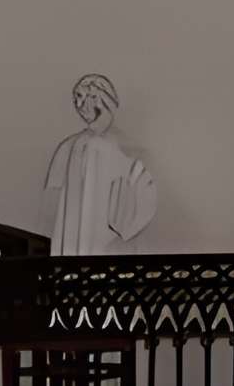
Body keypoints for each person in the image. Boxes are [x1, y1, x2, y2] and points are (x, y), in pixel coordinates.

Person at [44, 74, 158, 258]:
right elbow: (52, 198)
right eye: (76, 99)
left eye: (84, 97)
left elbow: (143, 189)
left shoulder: (121, 146)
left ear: (100, 97)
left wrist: (123, 227)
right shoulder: (71, 145)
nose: (79, 105)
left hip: (105, 244)